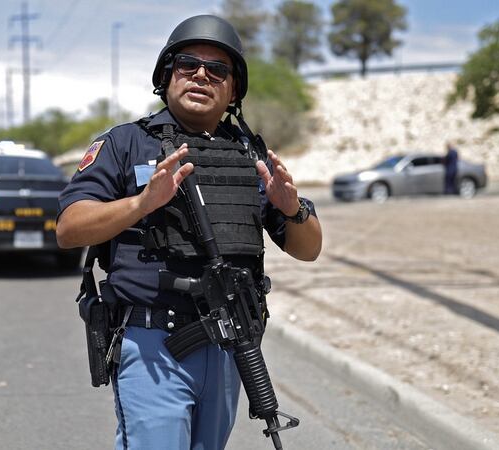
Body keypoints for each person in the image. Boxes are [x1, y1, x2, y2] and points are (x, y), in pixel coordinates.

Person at [57, 15, 322, 450]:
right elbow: (69, 228)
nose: (201, 75)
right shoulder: (126, 143)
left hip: (228, 346)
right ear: (166, 75)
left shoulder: (247, 155)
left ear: (233, 89)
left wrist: (291, 209)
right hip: (152, 343)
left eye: (218, 69)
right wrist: (142, 203)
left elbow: (309, 248)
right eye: (188, 64)